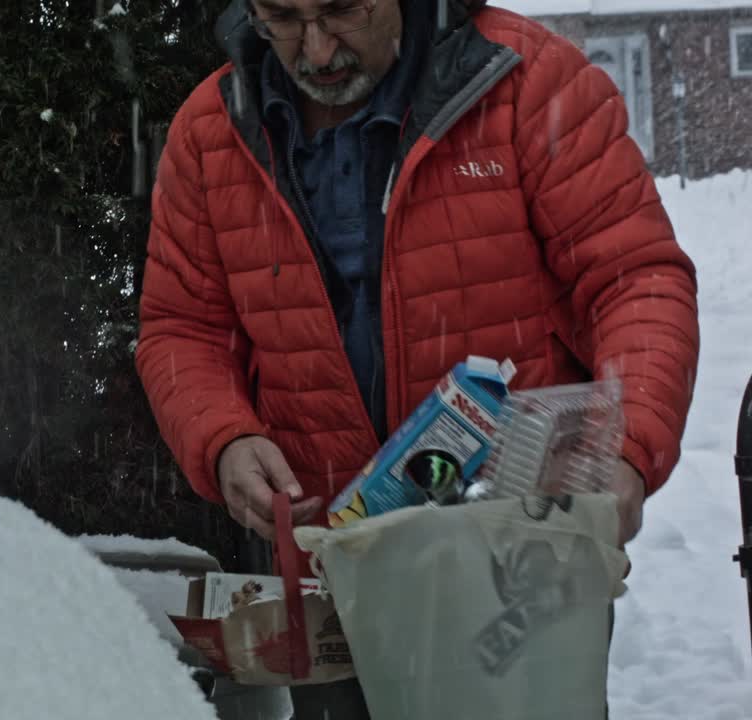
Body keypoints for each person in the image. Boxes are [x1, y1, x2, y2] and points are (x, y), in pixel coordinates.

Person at [135, 0, 700, 715]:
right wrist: (224, 437)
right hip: (336, 574)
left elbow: (636, 279)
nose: (314, 50)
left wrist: (628, 446)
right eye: (281, 17)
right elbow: (181, 325)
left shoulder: (529, 86)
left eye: (340, 10)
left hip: (515, 557)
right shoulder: (210, 135)